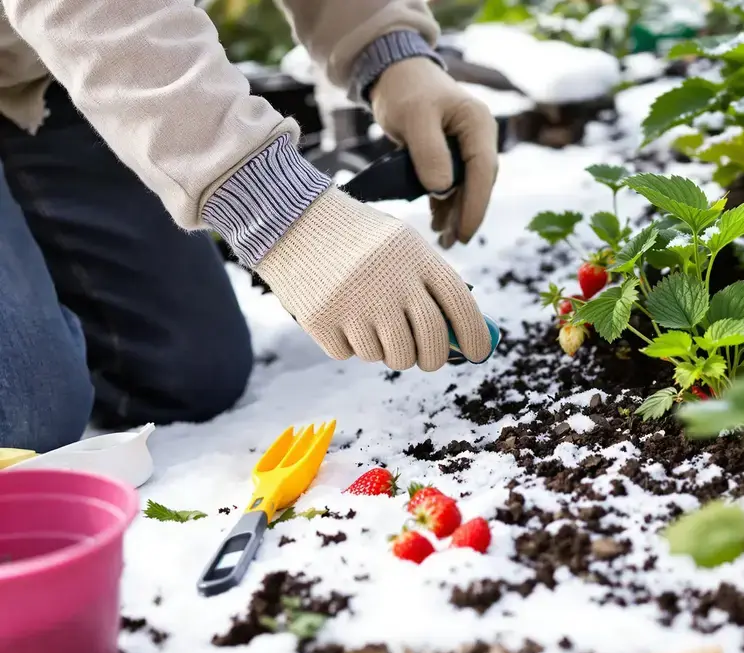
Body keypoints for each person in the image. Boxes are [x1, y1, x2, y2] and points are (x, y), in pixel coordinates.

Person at [0, 0, 498, 453]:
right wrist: (277, 210)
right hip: (85, 23)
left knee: (184, 376)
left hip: (44, 78)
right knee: (26, 414)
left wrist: (387, 51)